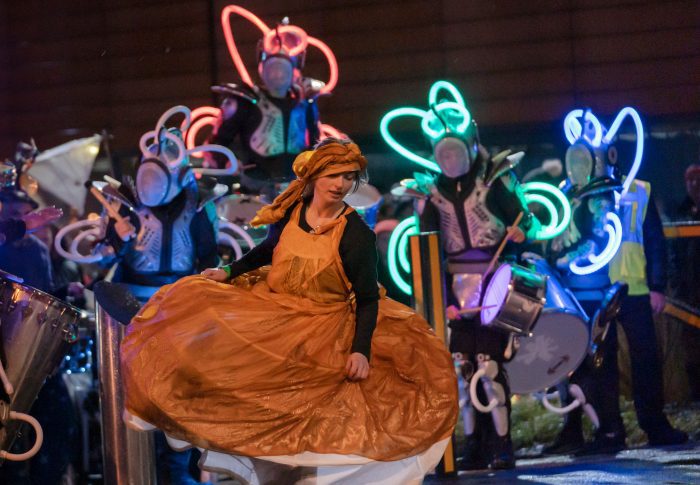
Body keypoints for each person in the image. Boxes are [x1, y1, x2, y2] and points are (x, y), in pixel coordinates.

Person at [120, 139, 457, 484]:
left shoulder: (355, 234)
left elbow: (367, 298)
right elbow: (268, 249)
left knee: (316, 422)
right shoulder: (294, 210)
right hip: (275, 316)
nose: (340, 184)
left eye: (348, 177)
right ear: (315, 176)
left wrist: (360, 351)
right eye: (333, 175)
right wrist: (230, 271)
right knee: (236, 377)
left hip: (324, 330)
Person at [207, 18, 322, 200]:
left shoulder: (305, 101)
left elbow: (315, 142)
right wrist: (227, 161)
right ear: (263, 68)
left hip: (296, 187)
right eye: (273, 69)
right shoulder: (245, 101)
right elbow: (218, 141)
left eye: (282, 70)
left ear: (293, 70)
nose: (277, 74)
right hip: (255, 188)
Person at [671, 164, 700, 400]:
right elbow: (674, 249)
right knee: (691, 343)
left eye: (698, 179)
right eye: (690, 180)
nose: (694, 184)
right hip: (688, 288)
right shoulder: (681, 211)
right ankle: (695, 393)